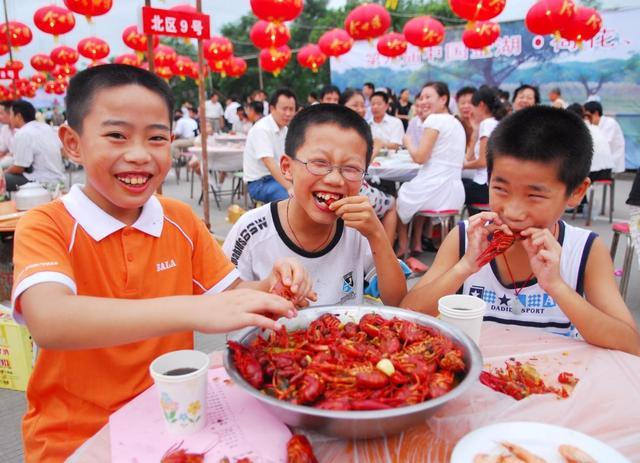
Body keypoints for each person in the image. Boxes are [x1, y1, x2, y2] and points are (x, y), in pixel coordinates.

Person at [11, 64, 314, 461]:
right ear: (72, 143)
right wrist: (193, 310)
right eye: (116, 135)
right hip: (74, 436)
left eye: (156, 138)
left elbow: (231, 295)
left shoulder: (180, 218)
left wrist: (271, 286)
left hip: (176, 420)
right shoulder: (46, 223)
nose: (139, 155)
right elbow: (49, 320)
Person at [401, 106, 640, 356]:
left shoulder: (585, 250)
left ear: (577, 192)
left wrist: (557, 286)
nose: (513, 211)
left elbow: (631, 344)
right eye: (501, 189)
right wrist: (465, 266)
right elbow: (408, 314)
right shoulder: (464, 239)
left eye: (534, 195)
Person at [223, 103, 406, 306]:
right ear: (287, 167)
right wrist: (268, 287)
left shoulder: (359, 230)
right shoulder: (252, 230)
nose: (335, 179)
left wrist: (377, 234)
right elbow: (223, 300)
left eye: (352, 168)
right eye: (319, 163)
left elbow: (397, 300)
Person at [398, 82, 466, 268]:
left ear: (443, 99)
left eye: (429, 97)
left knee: (400, 197)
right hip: (454, 192)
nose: (423, 101)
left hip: (435, 189)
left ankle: (403, 247)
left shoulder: (434, 120)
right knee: (411, 192)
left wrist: (408, 141)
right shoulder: (456, 122)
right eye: (421, 97)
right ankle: (415, 243)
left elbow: (420, 157)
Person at [342, 88, 398, 244]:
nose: (361, 109)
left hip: (346, 186)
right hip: (353, 189)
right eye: (355, 105)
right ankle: (385, 258)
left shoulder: (339, 128)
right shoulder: (352, 131)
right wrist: (376, 148)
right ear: (343, 106)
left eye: (362, 105)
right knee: (392, 203)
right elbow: (357, 167)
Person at [243, 88, 297, 203]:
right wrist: (289, 187)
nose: (288, 113)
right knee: (293, 200)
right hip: (260, 183)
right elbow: (269, 163)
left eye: (291, 109)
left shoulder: (285, 129)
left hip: (278, 178)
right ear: (272, 108)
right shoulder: (262, 129)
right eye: (284, 109)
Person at [4, 100, 65, 192]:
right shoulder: (46, 127)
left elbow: (19, 168)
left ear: (18, 116)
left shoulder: (23, 133)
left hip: (40, 181)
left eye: (11, 115)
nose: (10, 118)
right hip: (57, 178)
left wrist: (3, 173)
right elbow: (62, 150)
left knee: (3, 178)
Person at [463, 86, 507, 211]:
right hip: (491, 186)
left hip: (484, 187)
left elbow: (483, 161)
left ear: (481, 105)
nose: (471, 111)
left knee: (449, 188)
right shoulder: (496, 122)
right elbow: (471, 156)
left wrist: (463, 166)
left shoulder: (487, 124)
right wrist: (475, 131)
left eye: (472, 106)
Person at [584, 100, 626, 173]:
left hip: (612, 161)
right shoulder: (591, 123)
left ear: (596, 113)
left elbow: (603, 144)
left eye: (588, 116)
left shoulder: (610, 123)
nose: (586, 119)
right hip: (601, 161)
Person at [0, 100, 14, 169]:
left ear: (10, 113)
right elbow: (2, 150)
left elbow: (17, 153)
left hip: (19, 164)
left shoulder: (21, 130)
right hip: (8, 161)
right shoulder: (4, 129)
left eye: (1, 113)